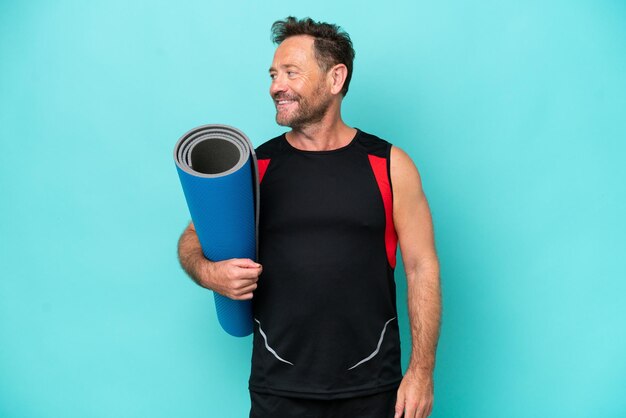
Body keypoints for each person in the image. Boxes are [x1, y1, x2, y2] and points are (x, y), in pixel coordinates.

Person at [177, 16, 441, 418]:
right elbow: (192, 240)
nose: (275, 86)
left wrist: (421, 373)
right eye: (272, 74)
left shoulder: (390, 165)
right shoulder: (255, 167)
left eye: (290, 73)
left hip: (374, 389)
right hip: (278, 390)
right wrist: (210, 273)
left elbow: (422, 267)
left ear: (335, 79)